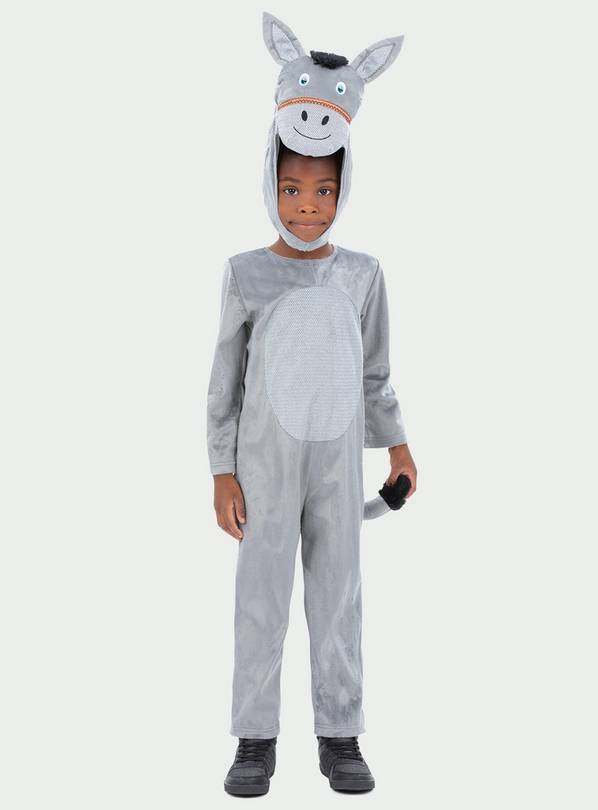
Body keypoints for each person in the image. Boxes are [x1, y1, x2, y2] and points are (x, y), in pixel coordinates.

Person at [206, 12, 418, 796]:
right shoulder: (245, 275)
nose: (306, 206)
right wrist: (221, 472)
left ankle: (340, 734)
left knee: (338, 600)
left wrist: (398, 447)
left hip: (336, 467)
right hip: (262, 470)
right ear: (270, 181)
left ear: (344, 187)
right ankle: (254, 738)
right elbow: (223, 384)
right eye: (292, 189)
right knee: (260, 601)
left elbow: (376, 374)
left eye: (323, 191)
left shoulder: (362, 276)